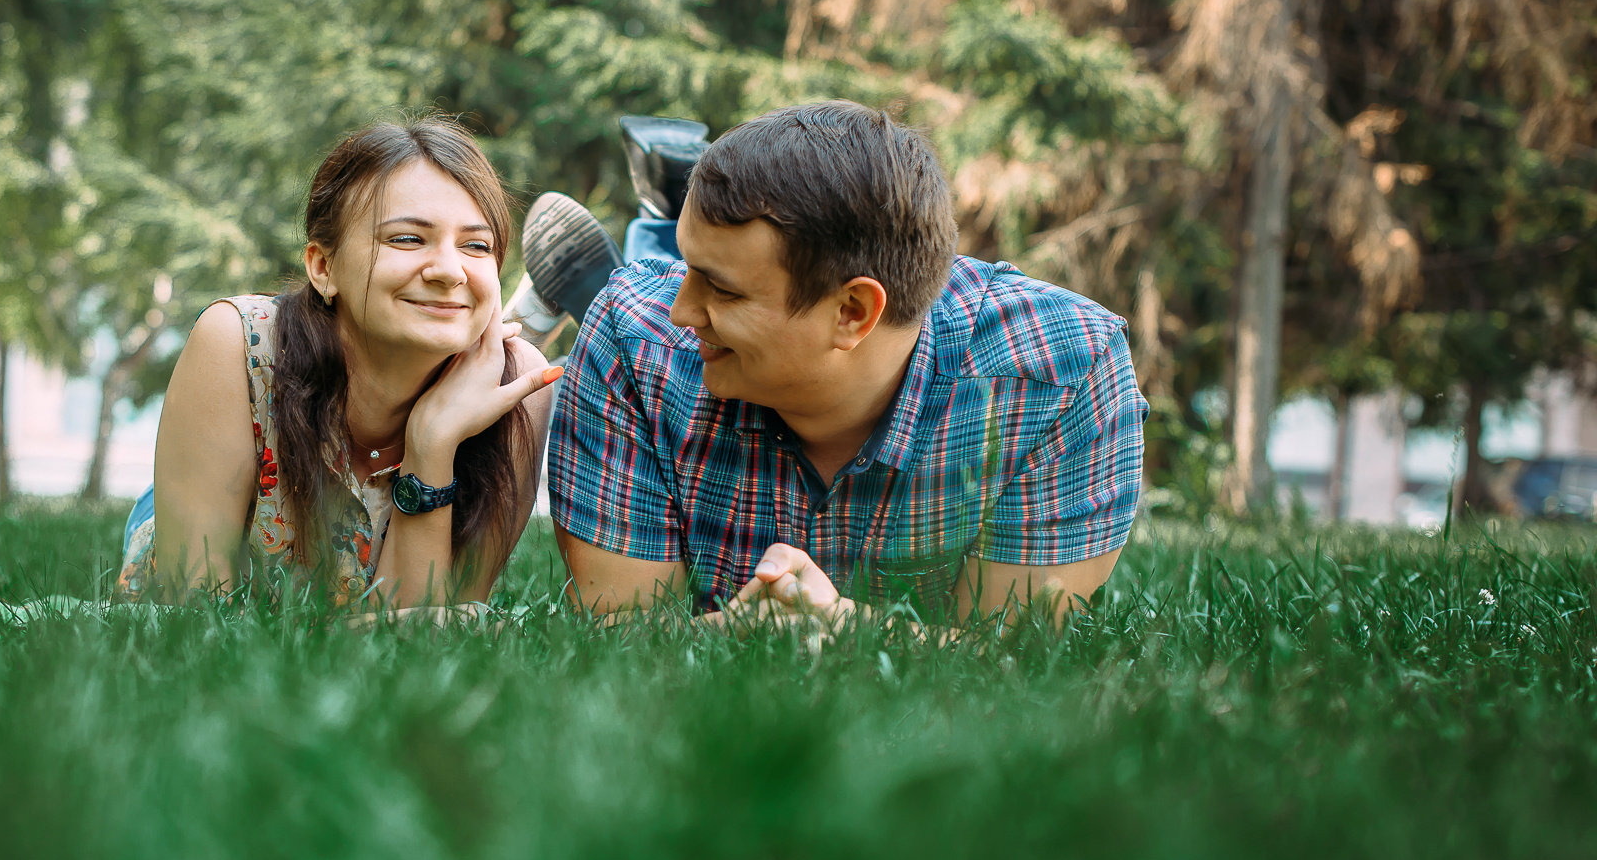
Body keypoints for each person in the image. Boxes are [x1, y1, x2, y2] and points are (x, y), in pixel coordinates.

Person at [545, 99, 1148, 631]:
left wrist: (843, 631)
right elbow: (621, 638)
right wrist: (730, 635)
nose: (682, 312)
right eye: (687, 272)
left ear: (854, 312)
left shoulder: (1060, 376)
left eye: (721, 291)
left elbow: (1012, 665)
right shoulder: (633, 339)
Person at [114, 118, 561, 610]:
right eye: (408, 239)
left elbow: (431, 637)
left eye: (476, 246)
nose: (450, 271)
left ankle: (521, 318)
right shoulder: (238, 344)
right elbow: (191, 618)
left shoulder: (519, 387)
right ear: (323, 268)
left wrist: (432, 443)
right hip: (234, 480)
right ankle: (529, 311)